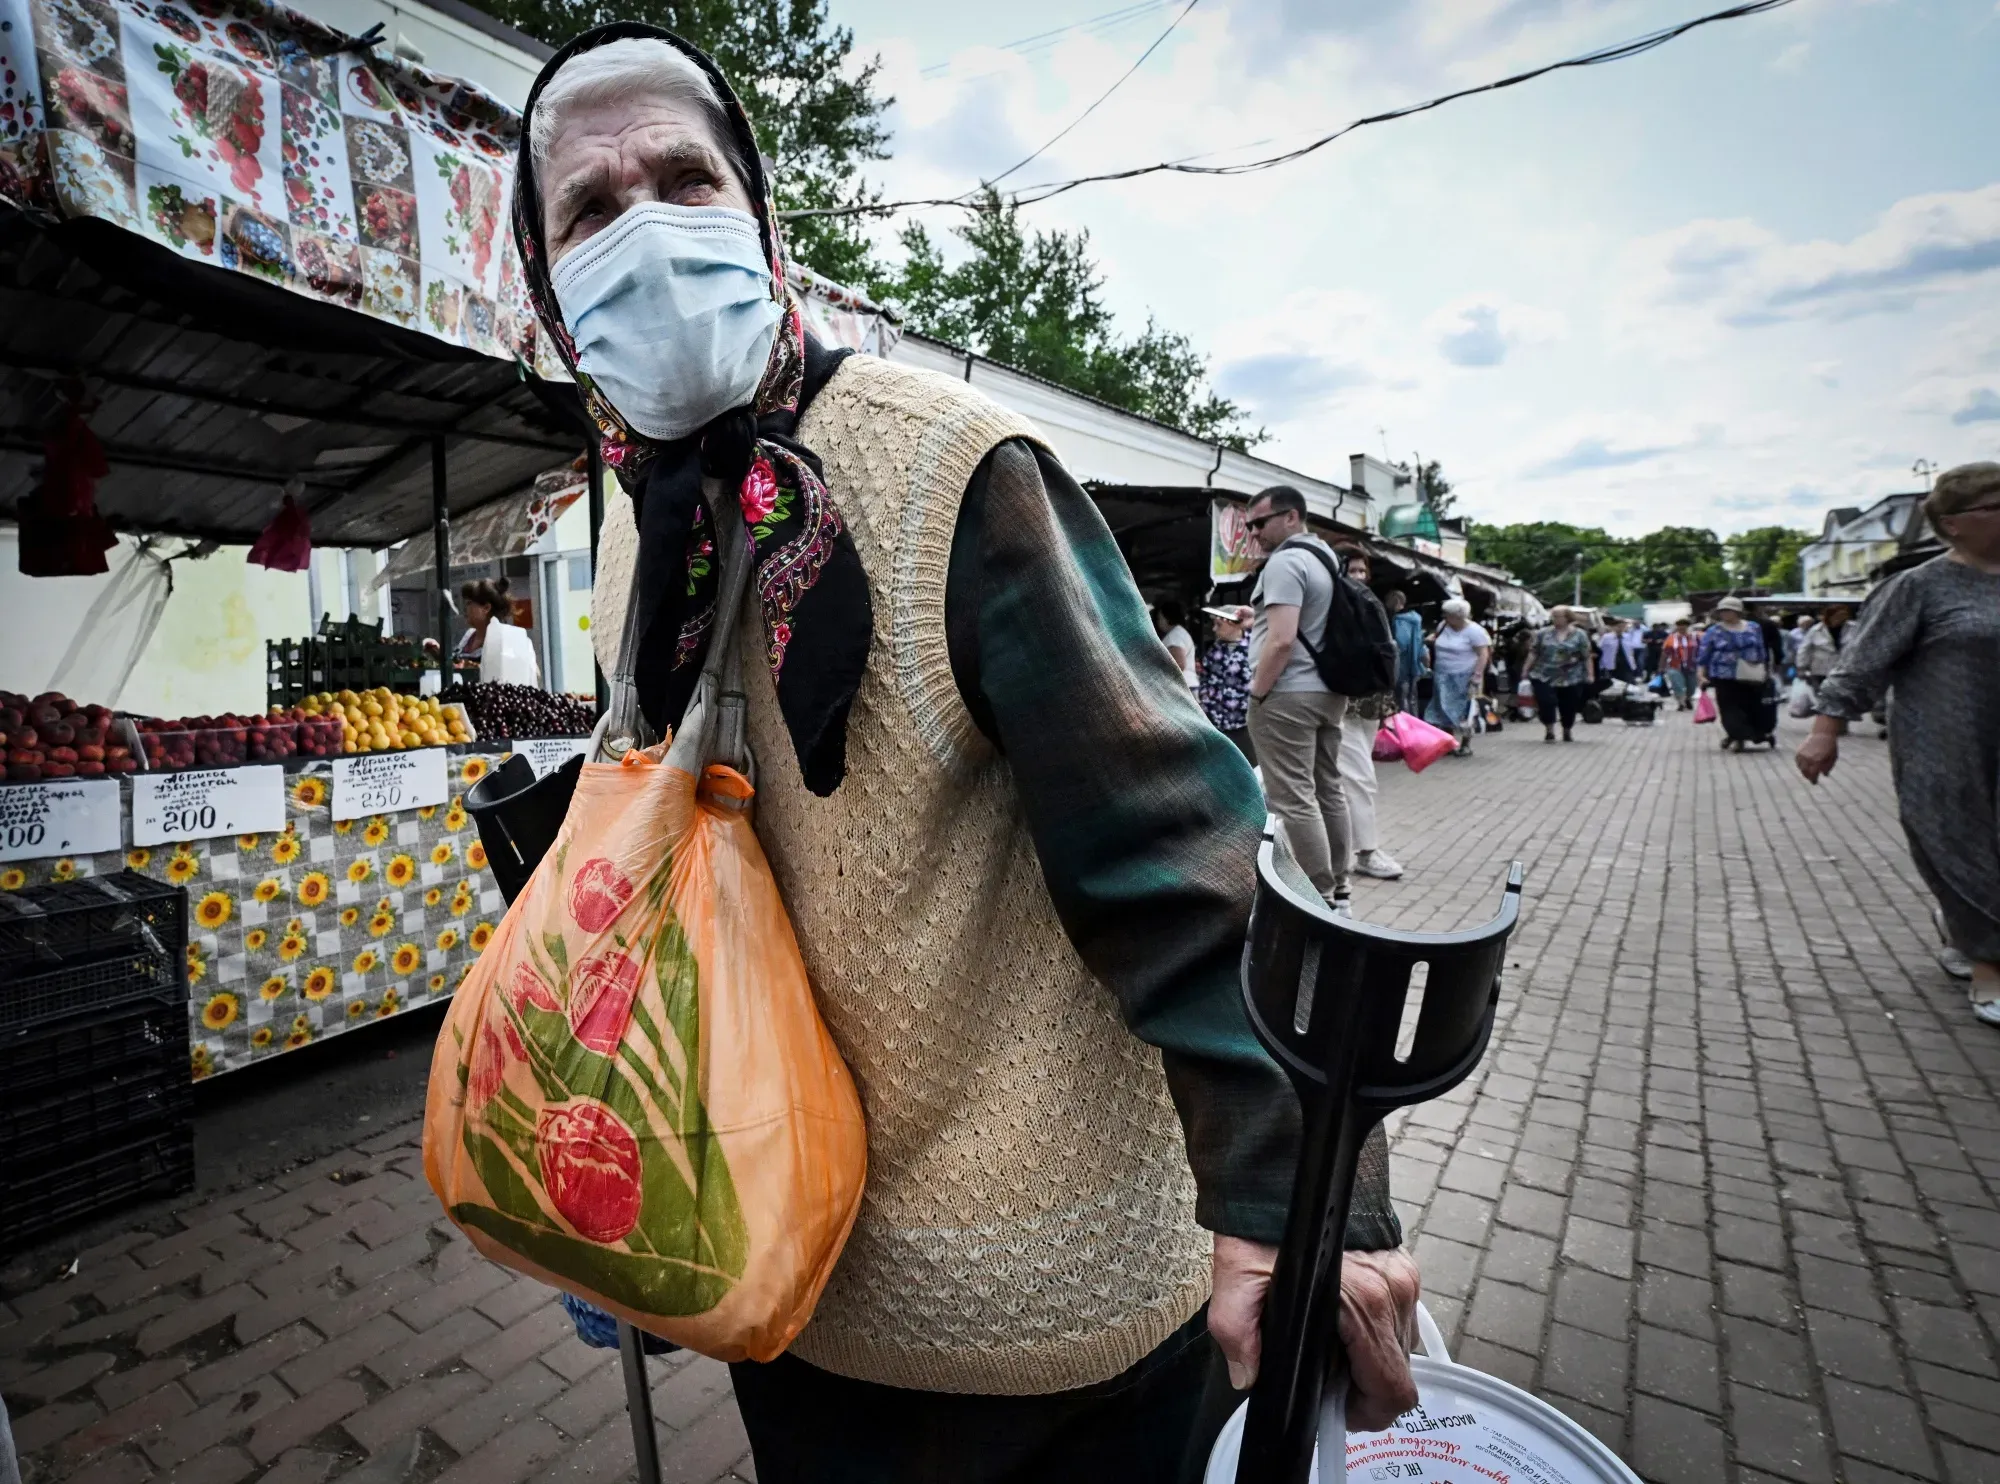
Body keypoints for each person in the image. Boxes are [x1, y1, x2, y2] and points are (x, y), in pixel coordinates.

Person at [524, 32, 1417, 1481]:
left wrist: (1298, 1202)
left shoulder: (958, 471)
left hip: (1050, 1317)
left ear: (760, 225)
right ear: (551, 293)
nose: (645, 229)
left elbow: (1185, 852)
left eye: (682, 179)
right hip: (788, 1280)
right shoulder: (636, 514)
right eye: (591, 208)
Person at [1797, 462, 2000, 1027]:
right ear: (1954, 523)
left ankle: (1968, 932)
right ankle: (1990, 966)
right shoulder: (1919, 585)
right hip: (1947, 742)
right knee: (1961, 843)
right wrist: (1824, 733)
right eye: (1996, 506)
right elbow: (1861, 664)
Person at [1240, 486, 1355, 911]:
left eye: (1260, 523)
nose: (1254, 532)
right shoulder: (1324, 558)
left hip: (1289, 694)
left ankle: (1318, 898)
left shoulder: (1286, 561)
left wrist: (1258, 691)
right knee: (1329, 789)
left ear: (1291, 517)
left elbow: (1283, 641)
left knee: (1293, 796)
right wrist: (1257, 619)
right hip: (1327, 691)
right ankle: (1341, 890)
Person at [1336, 549, 1403, 880]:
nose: (1358, 576)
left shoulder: (1369, 605)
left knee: (1350, 777)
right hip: (1343, 704)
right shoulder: (1335, 604)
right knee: (1359, 777)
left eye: (1363, 570)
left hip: (1370, 704)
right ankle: (1366, 851)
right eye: (1352, 569)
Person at [1696, 596, 1773, 751]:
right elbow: (1704, 654)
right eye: (1722, 611)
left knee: (1750, 705)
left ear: (1738, 611)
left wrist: (1766, 669)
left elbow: (1761, 650)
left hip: (1750, 673)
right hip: (1724, 675)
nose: (1724, 614)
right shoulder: (1714, 630)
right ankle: (1738, 736)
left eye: (1728, 610)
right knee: (1729, 707)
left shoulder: (1753, 627)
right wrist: (1701, 675)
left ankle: (1752, 734)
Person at [1426, 599, 1491, 756]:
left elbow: (1483, 654)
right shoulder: (1443, 626)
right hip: (1442, 674)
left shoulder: (1475, 631)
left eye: (1448, 614)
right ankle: (1449, 743)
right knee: (1442, 708)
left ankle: (1466, 743)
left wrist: (1477, 676)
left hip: (1464, 675)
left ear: (1459, 616)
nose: (1445, 617)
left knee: (1465, 710)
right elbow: (1436, 638)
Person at [1527, 605, 1595, 742]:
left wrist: (1590, 674)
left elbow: (1586, 656)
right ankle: (1550, 730)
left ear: (1567, 618)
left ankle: (1567, 730)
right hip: (1544, 674)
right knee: (1546, 702)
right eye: (1553, 616)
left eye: (1558, 616)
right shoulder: (1543, 633)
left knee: (1569, 705)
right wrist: (1525, 669)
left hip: (1572, 676)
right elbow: (1534, 652)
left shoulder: (1579, 635)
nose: (1555, 619)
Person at [1196, 607, 1254, 762]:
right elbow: (1205, 681)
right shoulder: (1215, 651)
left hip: (1245, 722)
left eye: (1218, 624)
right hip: (1217, 719)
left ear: (1233, 624)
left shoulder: (1254, 647)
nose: (1214, 629)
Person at [1387, 588, 1426, 715]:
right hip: (1414, 665)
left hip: (1401, 664)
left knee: (1400, 698)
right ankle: (1413, 726)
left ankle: (1402, 727)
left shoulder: (1399, 620)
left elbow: (1401, 642)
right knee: (1411, 698)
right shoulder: (1415, 619)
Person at [1794, 604, 1850, 691]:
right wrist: (1801, 667)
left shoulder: (1853, 627)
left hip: (1845, 669)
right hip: (1821, 670)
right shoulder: (1815, 630)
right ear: (1830, 616)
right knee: (1823, 694)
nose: (1841, 618)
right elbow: (1804, 649)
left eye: (1844, 615)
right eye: (1838, 616)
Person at [1155, 599, 1200, 691]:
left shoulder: (1175, 636)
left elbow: (1179, 664)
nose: (1158, 622)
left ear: (1166, 618)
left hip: (1182, 687)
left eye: (1160, 618)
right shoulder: (1179, 633)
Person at [1660, 617, 1699, 710]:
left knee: (1692, 686)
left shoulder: (1696, 637)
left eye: (1684, 625)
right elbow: (1665, 653)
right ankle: (1681, 702)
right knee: (1677, 685)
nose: (1682, 627)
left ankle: (1688, 699)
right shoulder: (1671, 638)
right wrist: (1661, 666)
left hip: (1692, 666)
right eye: (1679, 625)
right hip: (1675, 666)